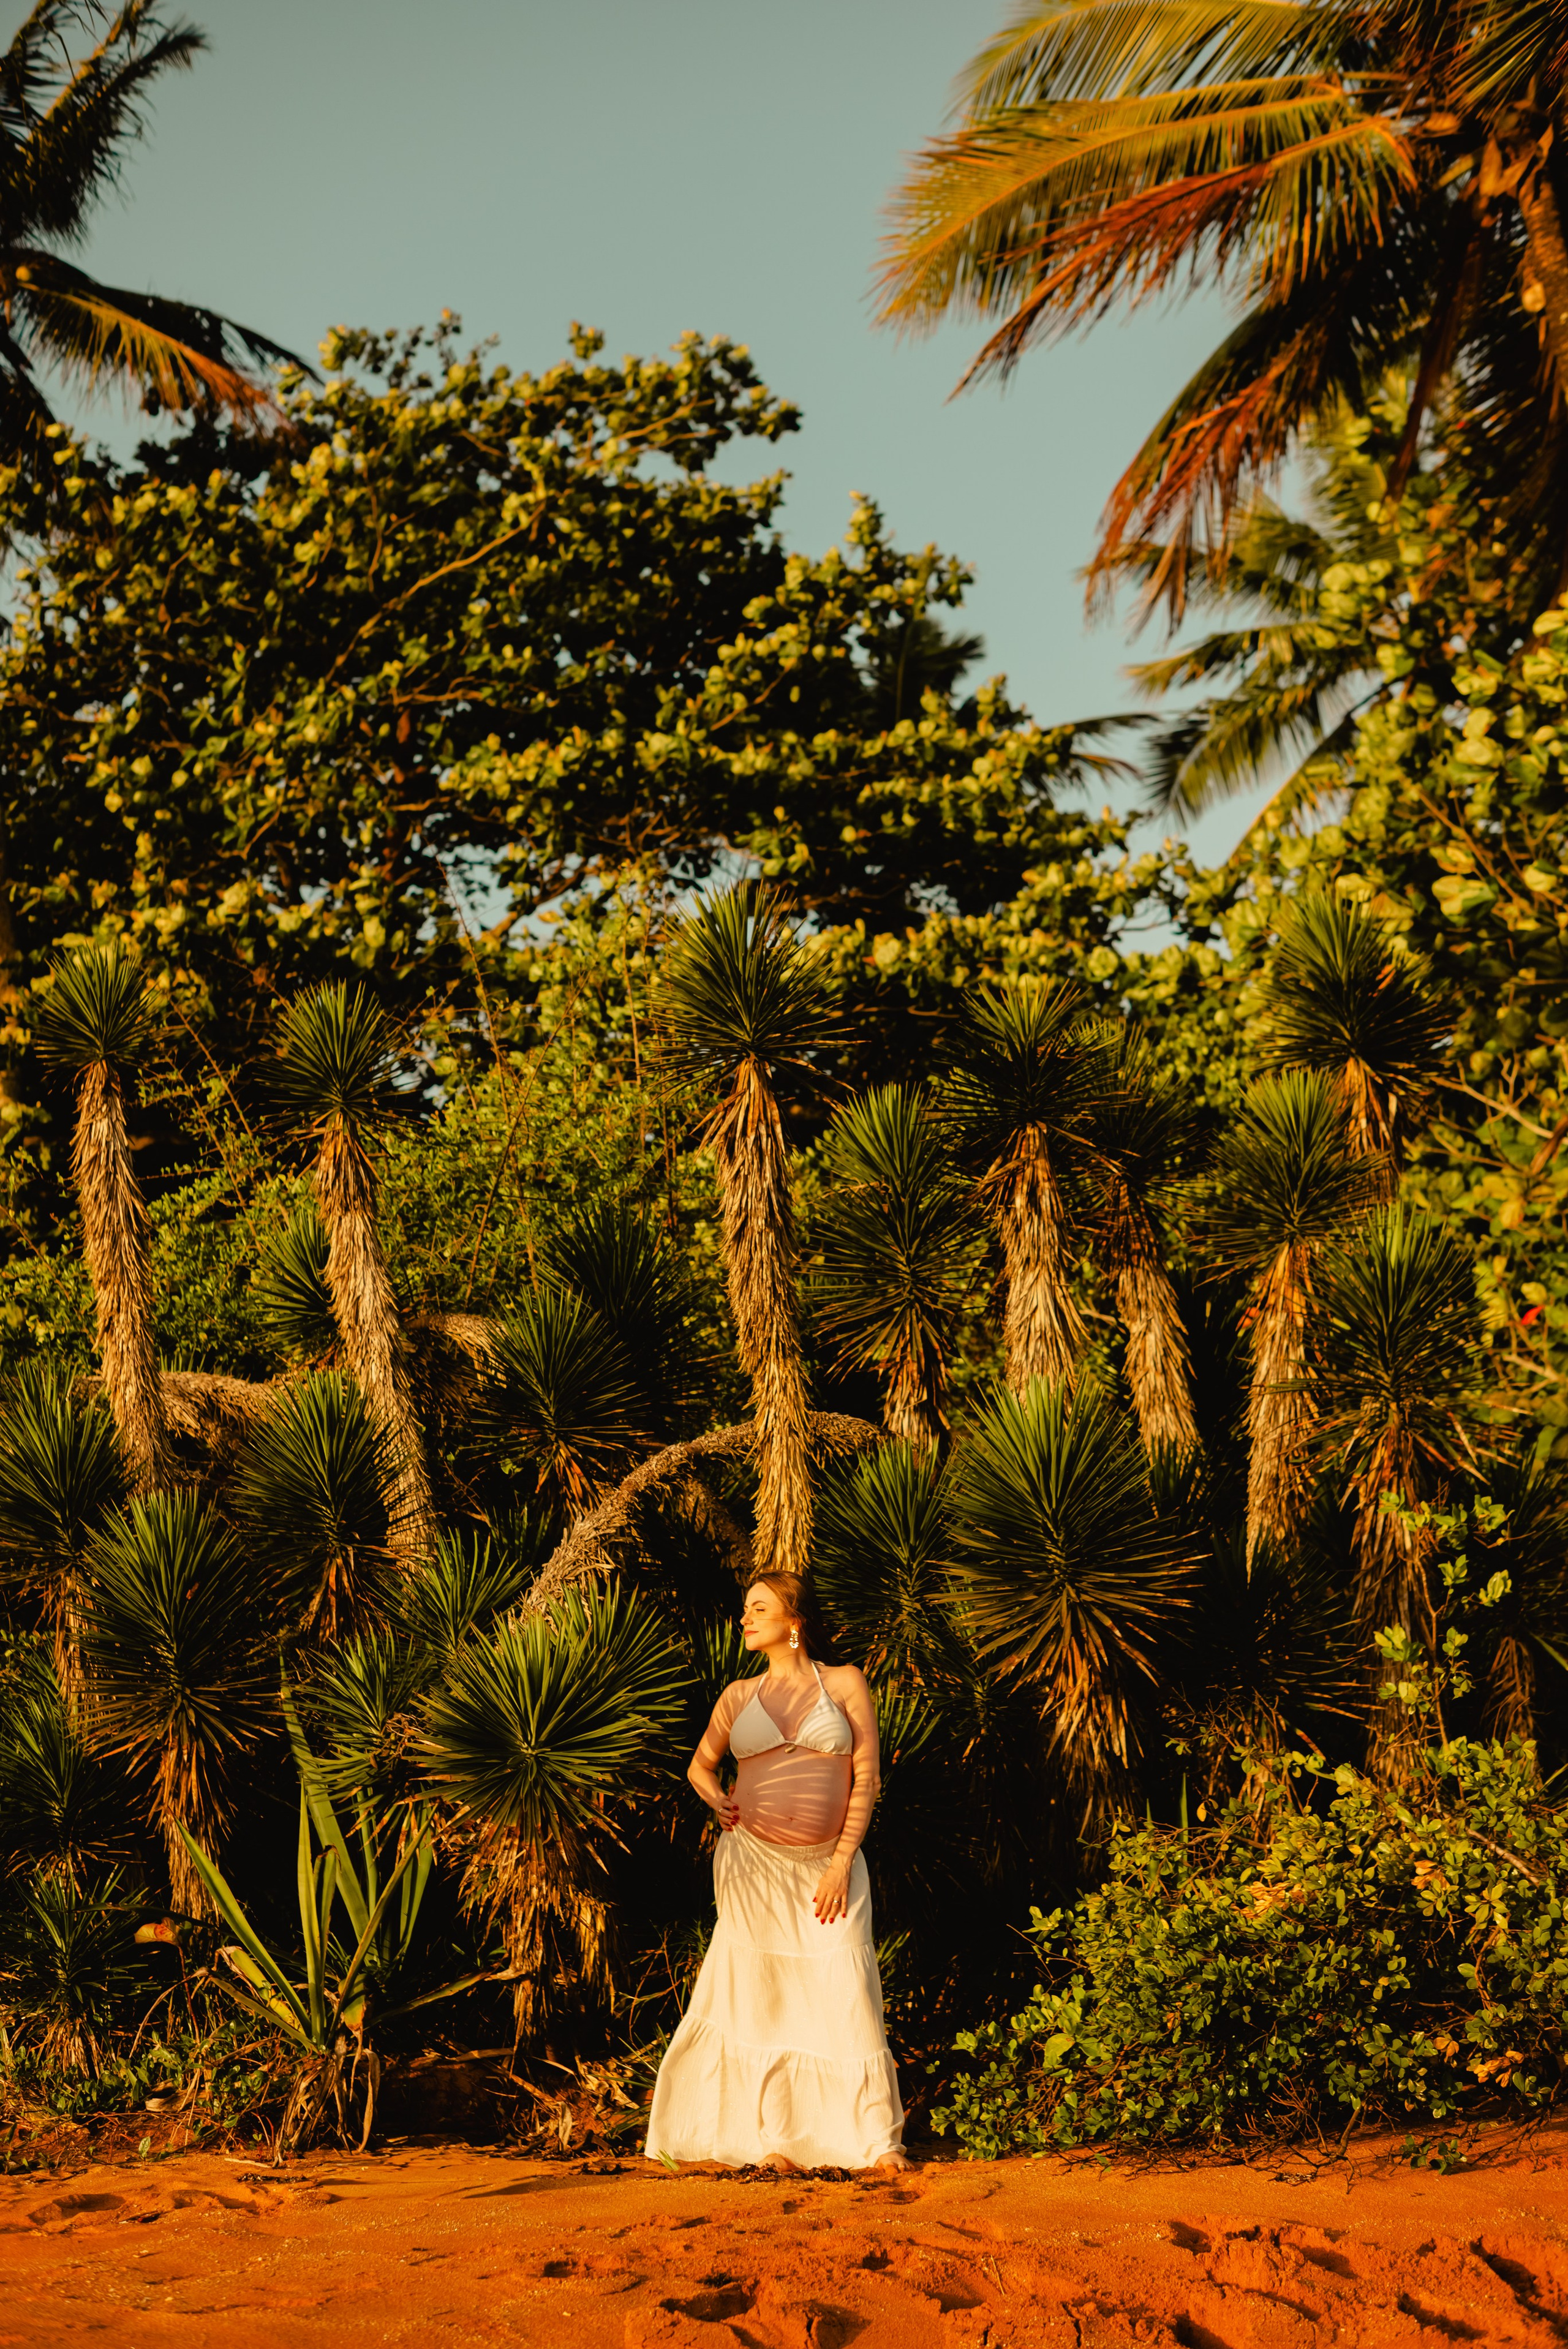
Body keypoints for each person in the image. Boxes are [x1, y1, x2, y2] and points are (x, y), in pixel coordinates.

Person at [644, 1569, 907, 2172]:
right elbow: (699, 1767)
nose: (746, 1618)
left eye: (758, 1608)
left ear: (795, 1620)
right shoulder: (738, 1695)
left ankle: (874, 2142)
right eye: (744, 1609)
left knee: (845, 1993)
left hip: (827, 1866)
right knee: (758, 1996)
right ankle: (769, 2141)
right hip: (751, 1864)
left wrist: (841, 1861)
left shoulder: (844, 1683)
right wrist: (718, 1800)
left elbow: (864, 1776)